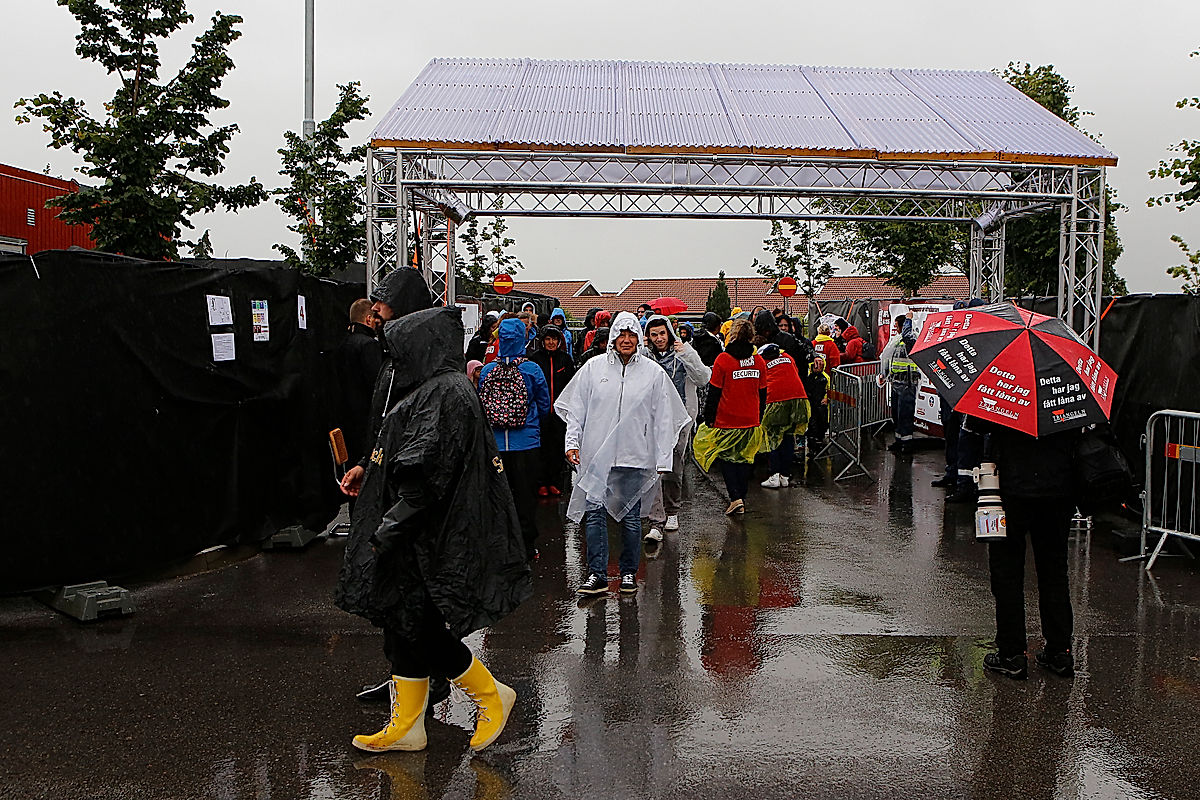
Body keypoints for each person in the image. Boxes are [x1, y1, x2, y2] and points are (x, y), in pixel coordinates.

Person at [335, 307, 531, 754]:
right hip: (417, 536)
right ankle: (407, 724)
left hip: (424, 539)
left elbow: (427, 479)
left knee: (419, 627)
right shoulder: (436, 389)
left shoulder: (444, 394)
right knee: (402, 623)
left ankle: (490, 695)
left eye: (401, 350)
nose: (395, 358)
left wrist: (384, 533)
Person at [555, 312, 690, 596]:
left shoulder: (653, 373)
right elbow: (576, 411)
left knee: (629, 516)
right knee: (594, 514)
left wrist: (663, 457)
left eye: (631, 335)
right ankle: (597, 574)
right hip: (596, 456)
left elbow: (666, 416)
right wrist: (572, 442)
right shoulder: (593, 369)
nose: (626, 340)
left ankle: (628, 573)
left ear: (638, 338)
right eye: (621, 335)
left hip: (634, 456)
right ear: (613, 338)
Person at [976, 421, 1082, 680]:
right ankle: (1060, 651)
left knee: (1007, 572)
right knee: (1055, 572)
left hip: (1012, 488)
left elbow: (979, 425)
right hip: (1058, 488)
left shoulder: (1006, 385)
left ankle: (1012, 654)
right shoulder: (1066, 385)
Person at [341, 268, 434, 500]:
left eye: (382, 301)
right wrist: (368, 463)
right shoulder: (389, 358)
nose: (375, 309)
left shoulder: (425, 362)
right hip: (390, 481)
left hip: (408, 492)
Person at [478, 318, 552, 561]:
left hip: (496, 445)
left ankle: (500, 544)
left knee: (498, 495)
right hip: (526, 442)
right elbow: (544, 405)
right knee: (525, 495)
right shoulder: (531, 369)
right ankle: (527, 546)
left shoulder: (488, 370)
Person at [642, 314, 711, 541]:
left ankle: (672, 511)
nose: (659, 338)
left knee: (673, 467)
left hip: (678, 418)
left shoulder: (683, 352)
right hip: (650, 418)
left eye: (662, 333)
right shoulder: (645, 356)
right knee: (653, 469)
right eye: (654, 334)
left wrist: (687, 355)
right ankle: (656, 521)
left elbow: (703, 378)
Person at [694, 319, 767, 515]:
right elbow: (763, 392)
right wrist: (760, 414)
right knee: (744, 459)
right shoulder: (758, 361)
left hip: (726, 419)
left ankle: (735, 497)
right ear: (752, 337)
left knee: (727, 457)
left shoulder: (723, 360)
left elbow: (714, 392)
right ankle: (741, 496)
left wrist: (708, 417)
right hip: (750, 418)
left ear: (732, 335)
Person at [335, 299, 384, 473]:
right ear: (369, 319)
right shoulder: (369, 346)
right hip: (366, 424)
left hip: (344, 422)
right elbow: (378, 386)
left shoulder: (341, 345)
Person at [529, 325, 575, 497]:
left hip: (559, 413)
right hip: (539, 413)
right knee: (540, 448)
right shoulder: (535, 359)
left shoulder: (565, 359)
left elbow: (572, 385)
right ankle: (541, 483)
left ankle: (554, 482)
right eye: (547, 339)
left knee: (557, 448)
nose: (551, 342)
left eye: (554, 339)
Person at [757, 342, 809, 488]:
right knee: (787, 436)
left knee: (773, 437)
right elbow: (796, 373)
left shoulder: (762, 362)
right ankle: (785, 475)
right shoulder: (788, 357)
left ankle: (774, 475)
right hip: (798, 399)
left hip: (776, 400)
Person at [878, 310, 919, 454]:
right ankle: (898, 440)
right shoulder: (896, 340)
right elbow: (889, 358)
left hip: (907, 383)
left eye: (897, 325)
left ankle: (907, 444)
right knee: (896, 414)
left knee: (905, 415)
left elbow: (907, 336)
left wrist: (908, 320)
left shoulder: (911, 338)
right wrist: (885, 373)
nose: (895, 328)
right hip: (895, 382)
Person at [802, 354, 830, 454]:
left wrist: (827, 399)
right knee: (811, 424)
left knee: (821, 424)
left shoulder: (825, 377)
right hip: (810, 404)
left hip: (821, 405)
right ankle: (812, 446)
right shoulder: (808, 376)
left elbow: (831, 389)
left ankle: (819, 442)